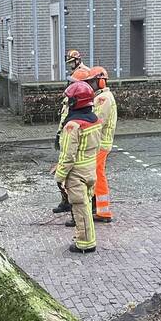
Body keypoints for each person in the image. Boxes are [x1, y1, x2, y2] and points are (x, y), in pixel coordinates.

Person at [55, 81, 103, 253]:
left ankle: (85, 242)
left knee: (80, 208)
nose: (67, 102)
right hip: (90, 170)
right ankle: (87, 237)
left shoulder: (72, 126)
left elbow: (68, 155)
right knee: (86, 206)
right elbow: (97, 146)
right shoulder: (95, 120)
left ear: (76, 102)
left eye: (69, 100)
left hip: (76, 174)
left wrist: (59, 176)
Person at [83, 66, 117, 223]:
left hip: (100, 144)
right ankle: (101, 209)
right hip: (101, 143)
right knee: (97, 174)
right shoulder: (101, 97)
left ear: (101, 82)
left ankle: (103, 211)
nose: (91, 85)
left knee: (96, 174)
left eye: (93, 82)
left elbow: (97, 121)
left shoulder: (104, 98)